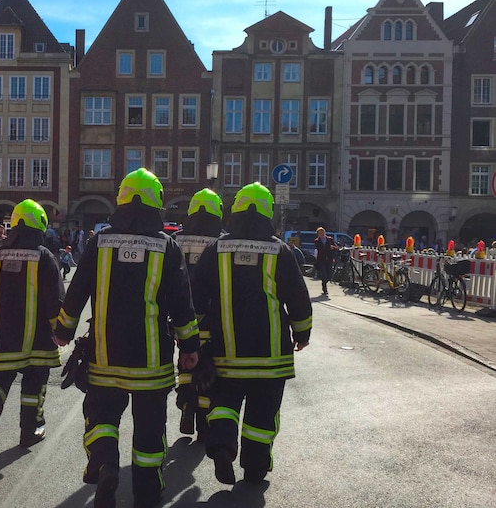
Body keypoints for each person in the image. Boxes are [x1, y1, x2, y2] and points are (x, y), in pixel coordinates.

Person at [53, 168, 200, 508]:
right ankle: (147, 492)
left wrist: (62, 331)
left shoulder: (98, 243)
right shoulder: (167, 247)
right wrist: (190, 349)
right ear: (156, 203)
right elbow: (182, 303)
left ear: (121, 199)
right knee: (149, 429)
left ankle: (105, 463)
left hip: (105, 358)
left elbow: (76, 292)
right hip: (152, 362)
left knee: (102, 415)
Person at [191, 182, 312, 485]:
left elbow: (196, 295)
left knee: (223, 403)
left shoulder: (216, 248)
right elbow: (298, 298)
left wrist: (193, 335)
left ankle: (221, 447)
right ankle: (255, 468)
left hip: (226, 352)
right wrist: (302, 332)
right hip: (270, 357)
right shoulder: (280, 251)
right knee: (262, 415)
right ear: (268, 212)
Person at [0, 199, 65, 457]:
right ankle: (29, 430)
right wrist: (61, 330)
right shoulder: (44, 257)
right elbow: (55, 298)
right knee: (34, 385)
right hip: (38, 341)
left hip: (1, 338)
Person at [173, 188, 223, 442]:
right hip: (211, 316)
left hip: (180, 315)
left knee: (184, 359)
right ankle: (203, 419)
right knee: (206, 366)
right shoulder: (222, 242)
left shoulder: (176, 241)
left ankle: (185, 404)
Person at [314, 226, 338, 295]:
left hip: (329, 259)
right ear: (318, 234)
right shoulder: (317, 241)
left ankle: (325, 282)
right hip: (321, 260)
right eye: (320, 233)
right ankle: (324, 288)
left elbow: (336, 248)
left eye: (323, 232)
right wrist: (328, 247)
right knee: (324, 274)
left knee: (329, 275)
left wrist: (333, 247)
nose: (321, 234)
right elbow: (320, 249)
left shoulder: (330, 239)